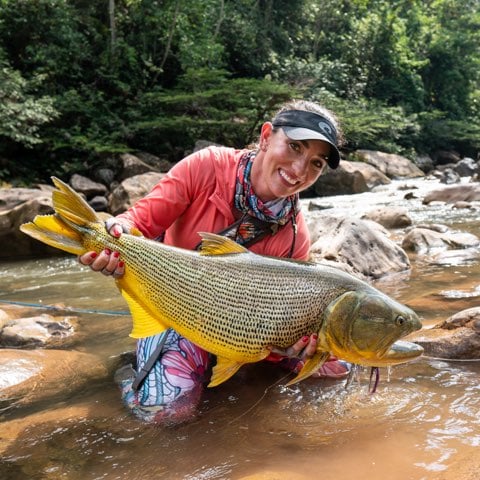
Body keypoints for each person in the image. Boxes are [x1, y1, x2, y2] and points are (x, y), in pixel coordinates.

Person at [79, 99, 349, 424]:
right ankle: (128, 372)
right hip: (174, 311)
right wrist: (115, 234)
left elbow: (280, 322)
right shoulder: (207, 167)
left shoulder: (294, 236)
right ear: (265, 137)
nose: (299, 170)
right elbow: (139, 222)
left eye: (316, 163)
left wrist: (293, 348)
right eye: (294, 147)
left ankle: (219, 367)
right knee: (167, 414)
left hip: (242, 330)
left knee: (336, 366)